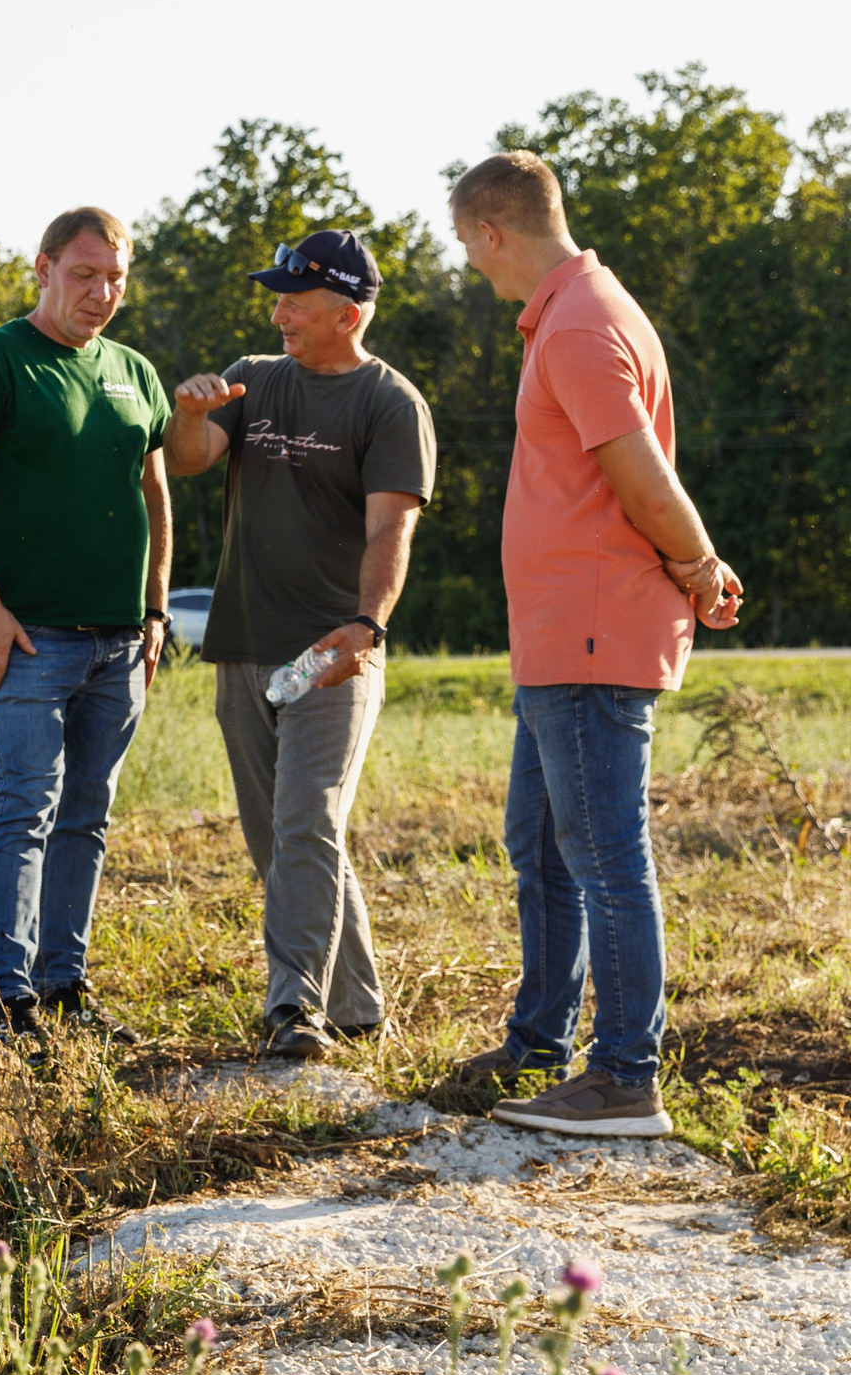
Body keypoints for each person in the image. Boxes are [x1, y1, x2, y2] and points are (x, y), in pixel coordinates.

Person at [448, 151, 743, 1136]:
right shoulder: (575, 311)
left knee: (606, 858)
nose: (470, 265)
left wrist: (698, 564)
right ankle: (540, 1042)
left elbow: (642, 476)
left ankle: (624, 1076)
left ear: (492, 231)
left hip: (590, 634)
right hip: (557, 639)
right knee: (540, 847)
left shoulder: (577, 324)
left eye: (466, 245)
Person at [164, 230, 435, 1061]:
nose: (278, 315)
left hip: (328, 653)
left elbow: (391, 530)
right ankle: (358, 1007)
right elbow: (188, 462)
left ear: (347, 314)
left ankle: (295, 1010)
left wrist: (367, 626)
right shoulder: (256, 377)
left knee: (308, 819)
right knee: (276, 838)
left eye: (295, 302)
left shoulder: (390, 404)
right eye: (277, 300)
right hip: (245, 644)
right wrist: (189, 414)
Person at [0, 206, 172, 1048]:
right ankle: (6, 998)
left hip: (120, 640)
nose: (101, 293)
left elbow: (155, 492)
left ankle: (65, 986)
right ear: (44, 269)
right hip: (30, 637)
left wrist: (156, 608)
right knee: (24, 805)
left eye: (115, 279)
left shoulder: (134, 371)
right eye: (84, 274)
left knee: (86, 813)